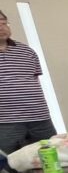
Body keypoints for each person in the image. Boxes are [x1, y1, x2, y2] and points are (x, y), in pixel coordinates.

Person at [0, 9, 56, 154]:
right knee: (8, 162)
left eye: (4, 23)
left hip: (40, 117)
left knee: (51, 155)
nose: (2, 27)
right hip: (5, 122)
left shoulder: (27, 51)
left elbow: (34, 81)